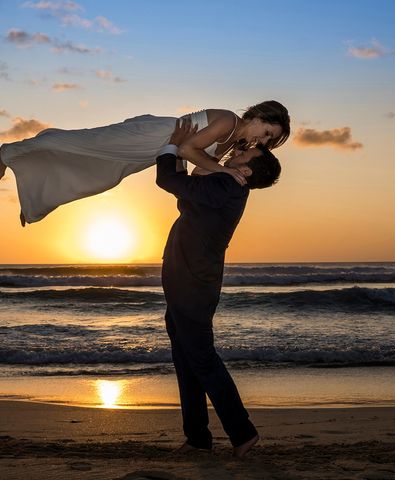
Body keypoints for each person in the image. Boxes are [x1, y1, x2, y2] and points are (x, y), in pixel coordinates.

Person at [157, 117, 281, 458]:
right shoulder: (224, 185)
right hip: (187, 279)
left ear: (249, 171)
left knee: (201, 359)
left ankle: (242, 433)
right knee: (186, 359)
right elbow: (184, 189)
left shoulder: (229, 186)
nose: (235, 156)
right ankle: (197, 438)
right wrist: (183, 154)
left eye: (243, 157)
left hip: (192, 284)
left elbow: (167, 179)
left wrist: (172, 145)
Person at [0, 100, 289, 225]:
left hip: (156, 151)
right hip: (152, 135)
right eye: (266, 134)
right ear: (259, 116)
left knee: (103, 176)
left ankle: (35, 198)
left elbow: (198, 170)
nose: (262, 142)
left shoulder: (231, 143)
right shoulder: (228, 120)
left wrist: (228, 175)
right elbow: (188, 148)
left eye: (268, 141)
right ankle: (7, 153)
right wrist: (225, 169)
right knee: (85, 142)